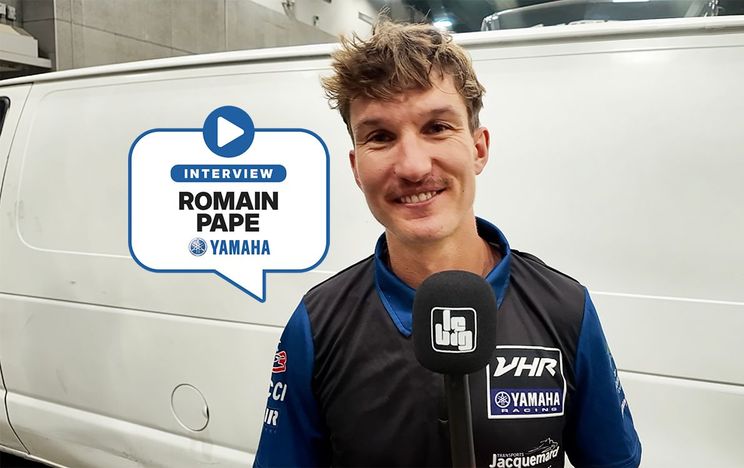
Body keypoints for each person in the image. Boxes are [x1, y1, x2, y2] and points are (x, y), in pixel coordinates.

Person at [254, 20, 641, 468]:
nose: (414, 166)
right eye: (380, 137)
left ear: (479, 149)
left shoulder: (565, 309)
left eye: (437, 127)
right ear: (357, 168)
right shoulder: (317, 325)